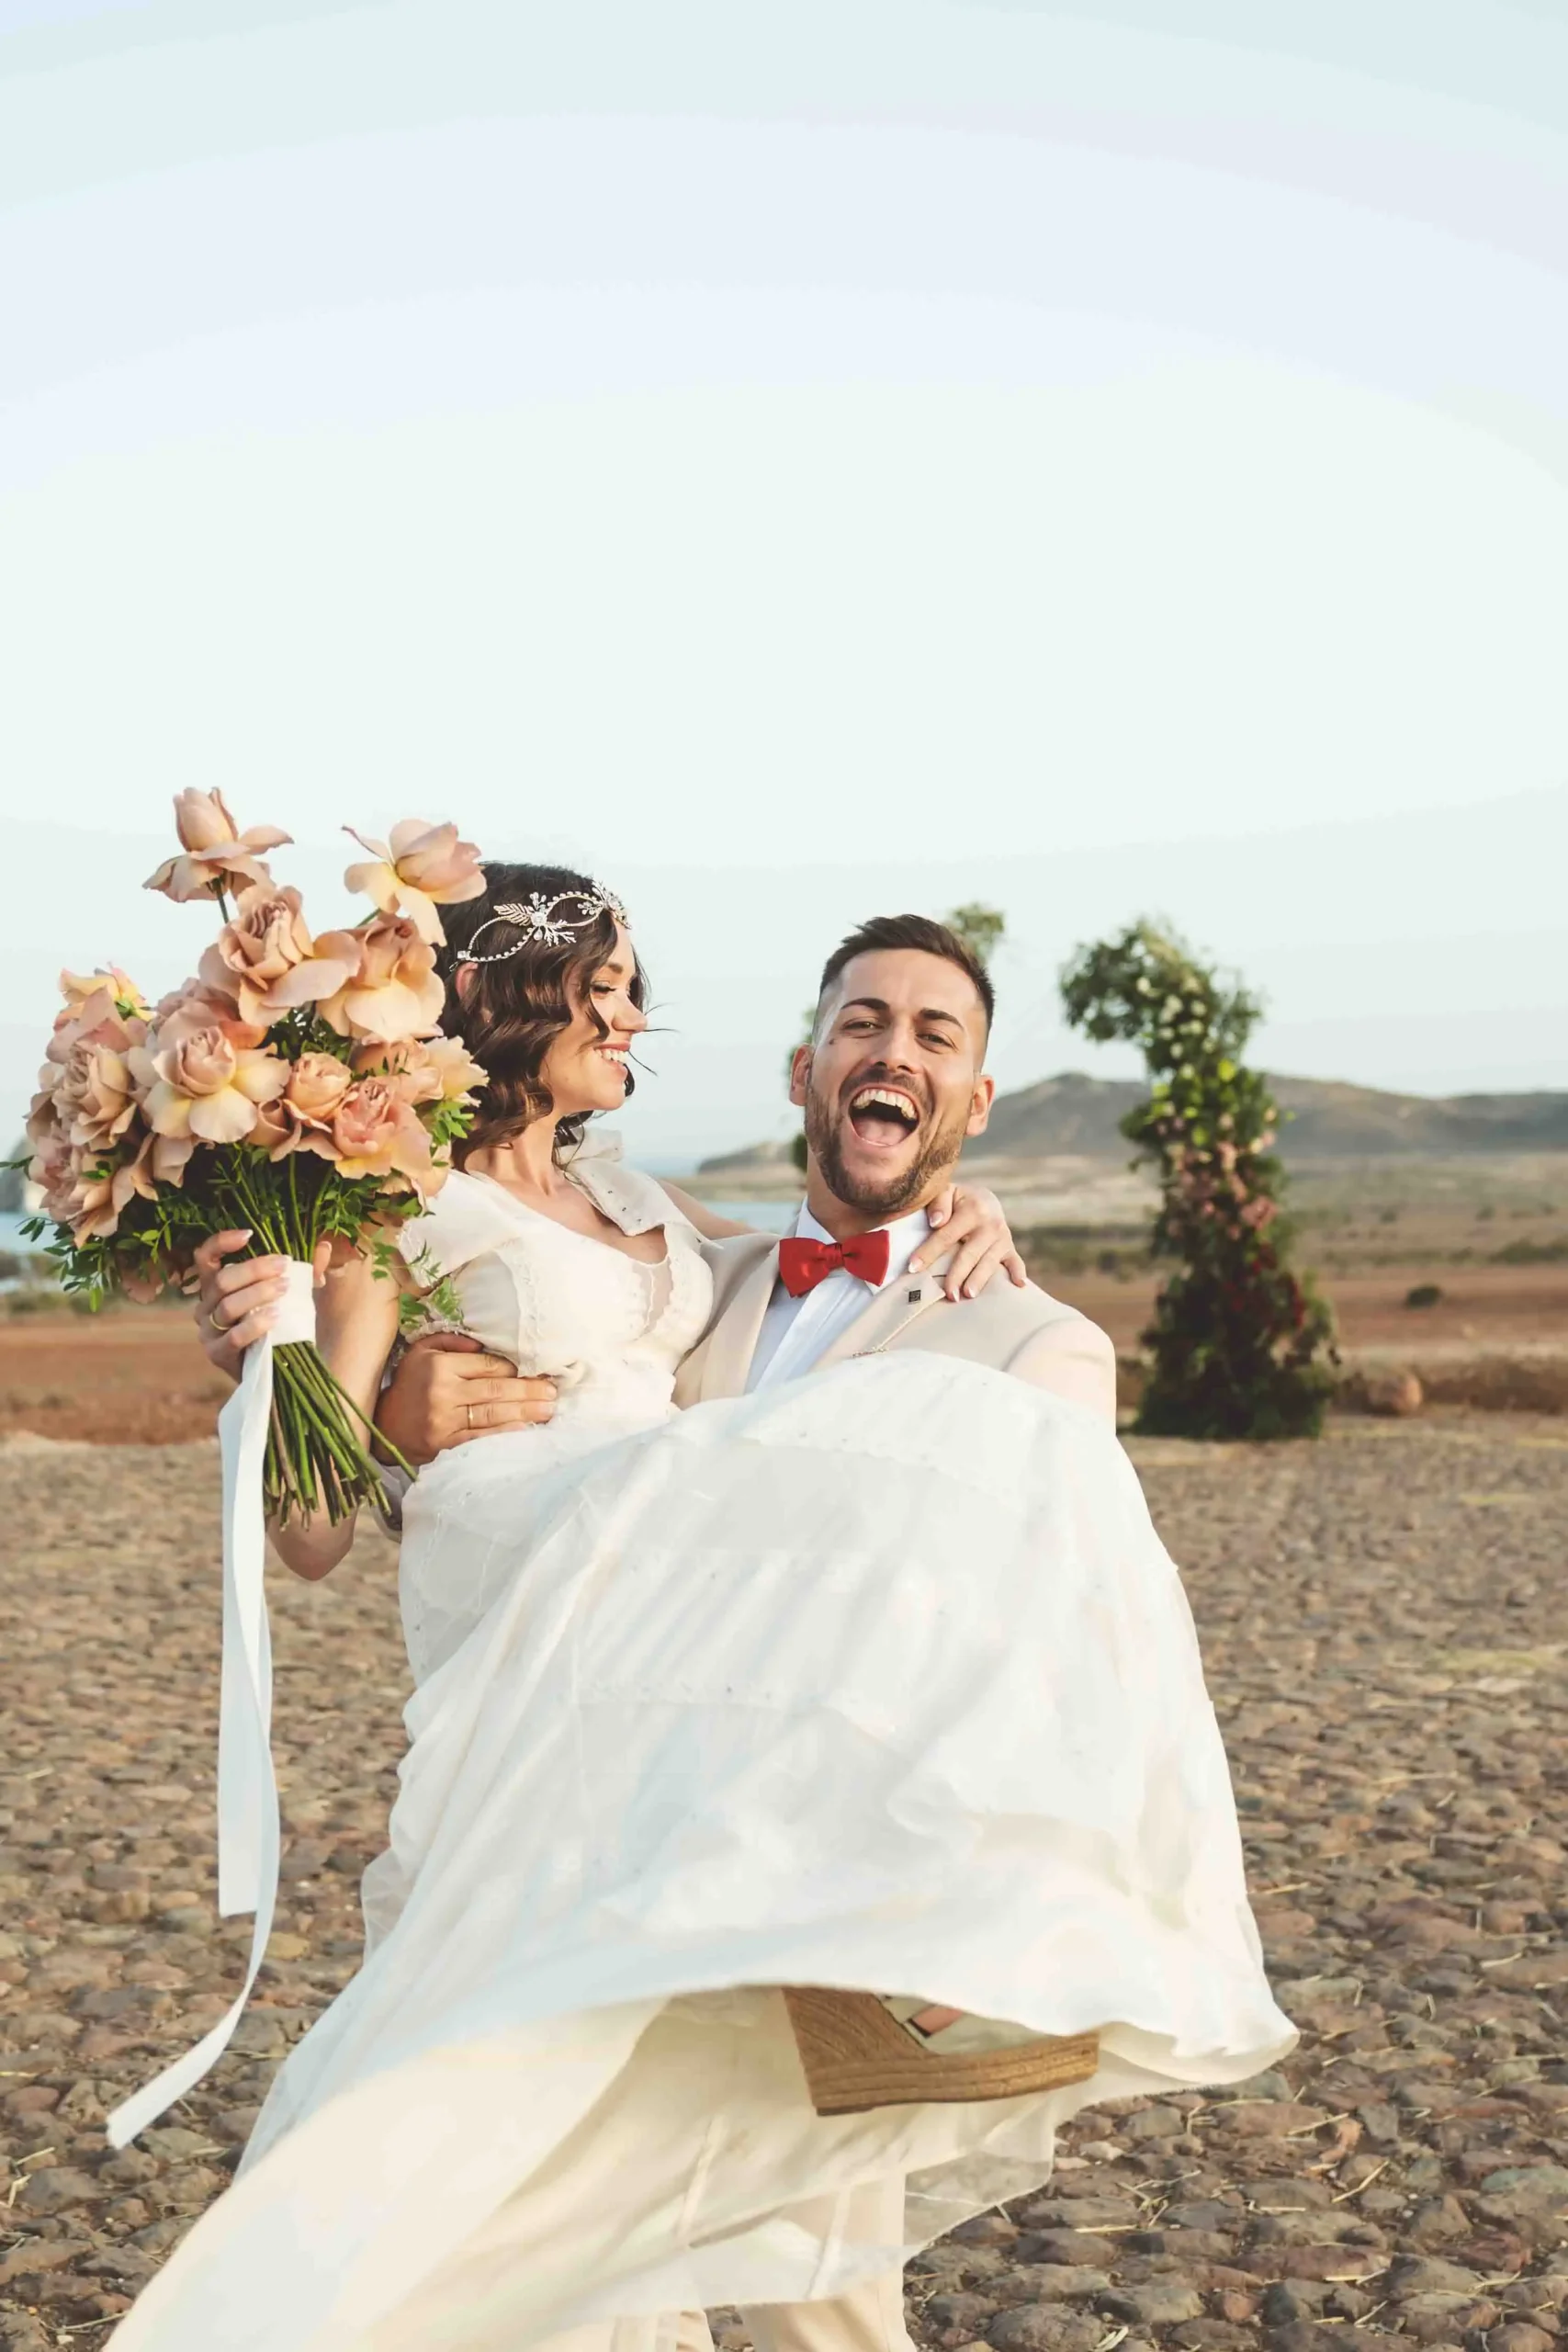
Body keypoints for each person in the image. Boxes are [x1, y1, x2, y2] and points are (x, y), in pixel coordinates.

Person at [116, 874, 1294, 2352]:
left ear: (977, 1100)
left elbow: (1035, 1619)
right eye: (861, 1023)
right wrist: (339, 1390)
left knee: (804, 2233)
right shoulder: (692, 1250)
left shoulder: (1024, 1341)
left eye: (934, 1038)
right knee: (517, 2120)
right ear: (802, 1070)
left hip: (821, 1844)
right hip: (578, 1731)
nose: (892, 1052)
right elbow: (382, 1464)